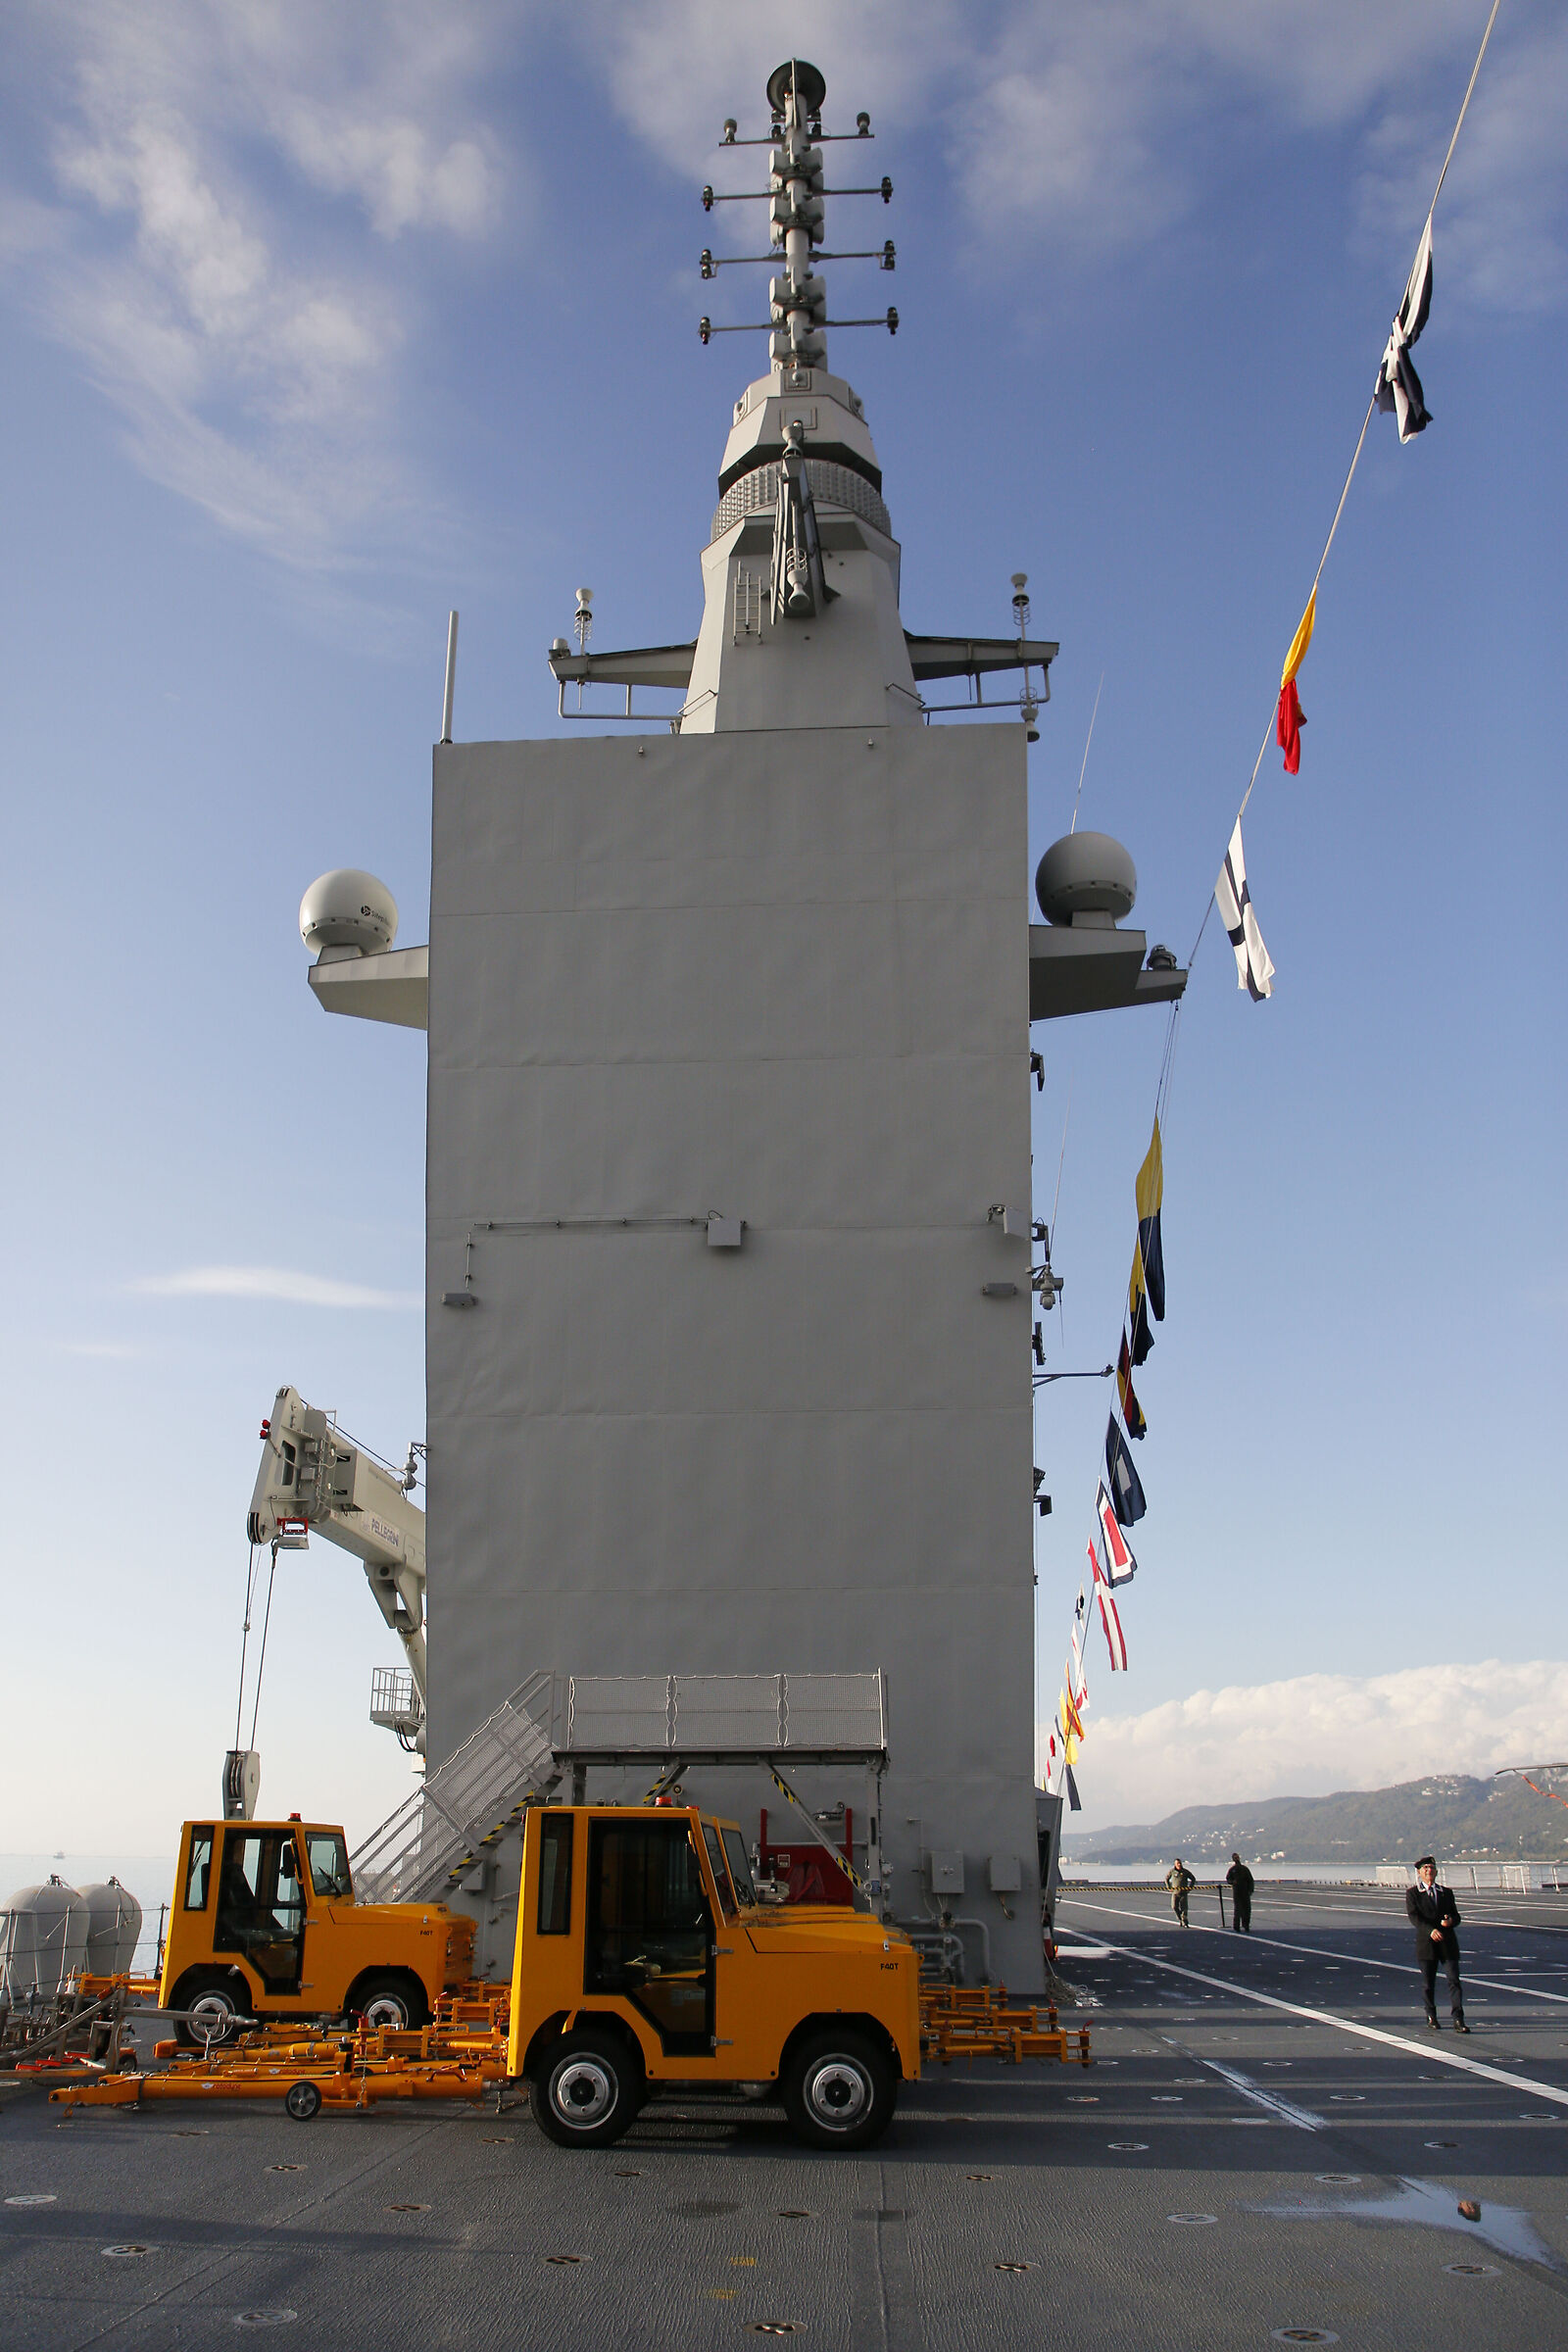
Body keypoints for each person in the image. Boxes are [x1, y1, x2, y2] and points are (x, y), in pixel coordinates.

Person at [1405, 1855, 1467, 2032]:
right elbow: (1414, 1916)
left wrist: (1451, 1922)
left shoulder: (1446, 1892)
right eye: (1425, 1868)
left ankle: (1458, 2018)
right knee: (1428, 1983)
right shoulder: (1413, 1893)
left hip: (1447, 1944)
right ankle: (1431, 2015)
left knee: (1454, 1980)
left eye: (1431, 1868)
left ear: (1436, 1871)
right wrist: (1430, 1930)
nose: (1429, 1871)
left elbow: (1456, 1915)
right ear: (1419, 1873)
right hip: (1427, 1944)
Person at [1225, 1853, 1254, 1934]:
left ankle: (1246, 1925)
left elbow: (1250, 1880)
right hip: (1237, 1892)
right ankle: (1237, 1926)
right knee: (1238, 1909)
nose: (1236, 1858)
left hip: (1245, 1891)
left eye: (1237, 1857)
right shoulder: (1232, 1869)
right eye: (1235, 1857)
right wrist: (1232, 1882)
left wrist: (1250, 1890)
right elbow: (1228, 1879)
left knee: (1247, 1909)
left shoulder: (1244, 1869)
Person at [1165, 1857, 1196, 1927]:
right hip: (1175, 1893)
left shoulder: (1185, 1872)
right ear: (1175, 1864)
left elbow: (1193, 1879)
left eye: (1180, 1863)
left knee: (1184, 1909)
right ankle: (1180, 1919)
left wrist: (1190, 1887)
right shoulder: (1172, 1871)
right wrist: (1168, 1887)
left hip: (1183, 1893)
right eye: (1177, 1863)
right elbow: (1167, 1878)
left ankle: (1185, 1922)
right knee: (1174, 1907)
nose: (1179, 1864)